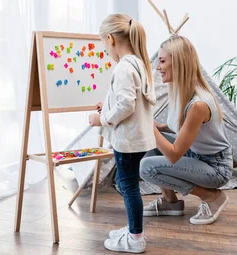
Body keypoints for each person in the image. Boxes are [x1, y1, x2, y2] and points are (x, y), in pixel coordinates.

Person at [139, 36, 233, 225]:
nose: (158, 67)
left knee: (147, 167)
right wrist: (161, 128)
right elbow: (187, 127)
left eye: (163, 61)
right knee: (147, 142)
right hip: (198, 156)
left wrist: (148, 125)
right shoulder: (181, 91)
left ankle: (212, 197)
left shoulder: (198, 103)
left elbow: (174, 155)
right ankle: (169, 202)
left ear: (180, 63)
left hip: (215, 167)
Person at [88, 13, 155, 253]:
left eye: (103, 44)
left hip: (127, 141)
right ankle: (133, 230)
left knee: (127, 185)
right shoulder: (139, 63)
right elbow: (131, 101)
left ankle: (135, 237)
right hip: (138, 138)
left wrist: (102, 119)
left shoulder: (124, 68)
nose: (105, 49)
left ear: (110, 39)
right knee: (128, 184)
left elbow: (126, 105)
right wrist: (106, 105)